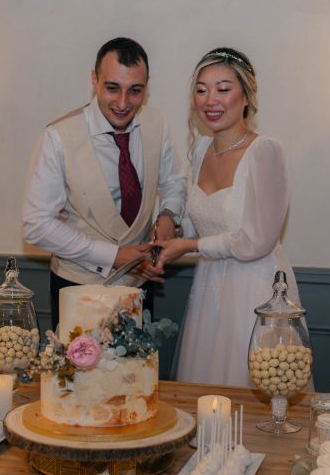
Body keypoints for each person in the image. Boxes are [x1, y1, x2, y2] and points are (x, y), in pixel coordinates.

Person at [153, 48, 300, 387]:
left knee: (252, 386)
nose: (210, 100)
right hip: (209, 289)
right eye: (201, 90)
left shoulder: (265, 151)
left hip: (255, 288)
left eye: (223, 89)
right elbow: (204, 219)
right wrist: (169, 224)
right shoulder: (201, 149)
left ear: (246, 96)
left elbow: (256, 240)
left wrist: (188, 245)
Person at [23, 37, 187, 331]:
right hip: (77, 288)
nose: (123, 103)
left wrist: (168, 215)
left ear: (146, 86)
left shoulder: (157, 124)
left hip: (140, 286)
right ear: (94, 79)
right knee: (80, 377)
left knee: (135, 375)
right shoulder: (58, 136)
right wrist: (112, 256)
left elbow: (175, 182)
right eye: (112, 88)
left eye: (135, 91)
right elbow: (36, 225)